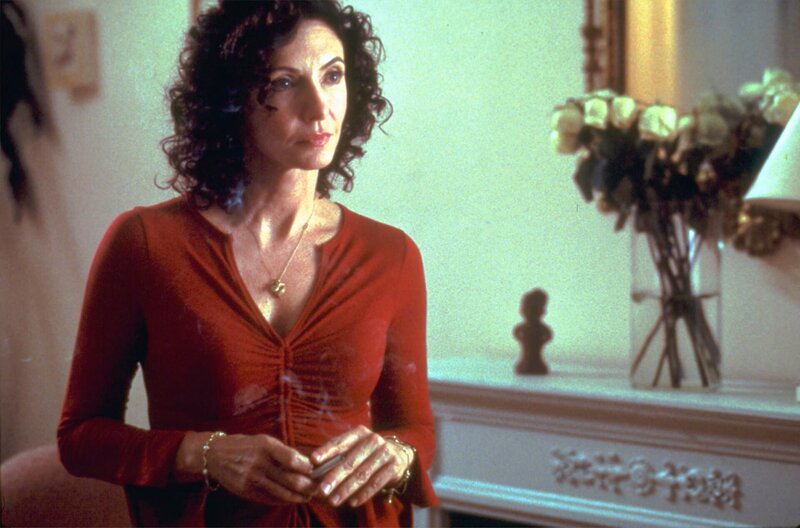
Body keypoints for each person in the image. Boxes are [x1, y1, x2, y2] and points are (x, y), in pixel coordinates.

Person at [57, 1, 437, 526]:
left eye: (333, 76)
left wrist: (397, 456)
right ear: (232, 99)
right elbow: (80, 437)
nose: (320, 108)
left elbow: (417, 431)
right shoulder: (144, 243)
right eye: (285, 82)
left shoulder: (391, 255)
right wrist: (205, 454)